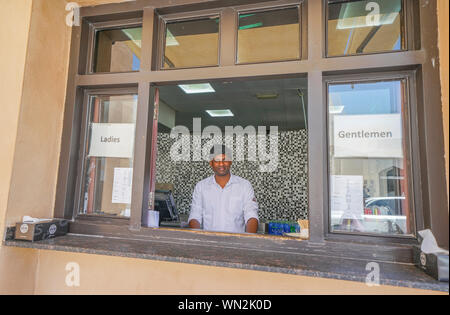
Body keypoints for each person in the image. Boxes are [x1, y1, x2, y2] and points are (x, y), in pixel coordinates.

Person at [188, 145, 259, 233]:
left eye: (224, 160)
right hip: (209, 243)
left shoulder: (244, 185)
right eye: (217, 161)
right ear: (211, 163)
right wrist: (198, 240)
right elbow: (195, 216)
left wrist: (248, 241)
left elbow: (251, 215)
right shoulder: (201, 187)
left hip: (236, 243)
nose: (221, 164)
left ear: (230, 162)